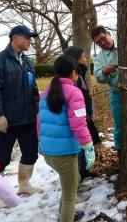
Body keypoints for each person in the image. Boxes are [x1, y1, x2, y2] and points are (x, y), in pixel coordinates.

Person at [0, 25, 41, 206]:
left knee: (31, 153)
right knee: (1, 157)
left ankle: (24, 184)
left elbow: (33, 88)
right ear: (15, 38)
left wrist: (37, 108)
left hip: (27, 117)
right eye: (26, 38)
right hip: (6, 120)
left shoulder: (27, 62)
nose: (29, 41)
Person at [38, 54, 95, 222]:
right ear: (73, 72)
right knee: (71, 196)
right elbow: (79, 124)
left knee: (73, 180)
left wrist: (41, 143)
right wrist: (88, 146)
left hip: (48, 152)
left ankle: (65, 213)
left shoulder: (46, 92)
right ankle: (66, 216)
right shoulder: (74, 92)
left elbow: (39, 122)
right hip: (65, 154)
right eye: (77, 72)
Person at [65, 46, 101, 179]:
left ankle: (83, 170)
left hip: (84, 114)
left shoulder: (80, 73)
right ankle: (78, 172)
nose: (86, 58)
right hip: (80, 116)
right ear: (77, 59)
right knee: (80, 144)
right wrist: (84, 113)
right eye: (83, 56)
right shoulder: (75, 76)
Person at [90, 26, 122, 156]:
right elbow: (98, 76)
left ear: (108, 34)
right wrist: (104, 71)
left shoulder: (126, 45)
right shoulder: (99, 58)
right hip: (117, 93)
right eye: (98, 42)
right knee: (119, 124)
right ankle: (121, 151)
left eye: (103, 39)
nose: (102, 43)